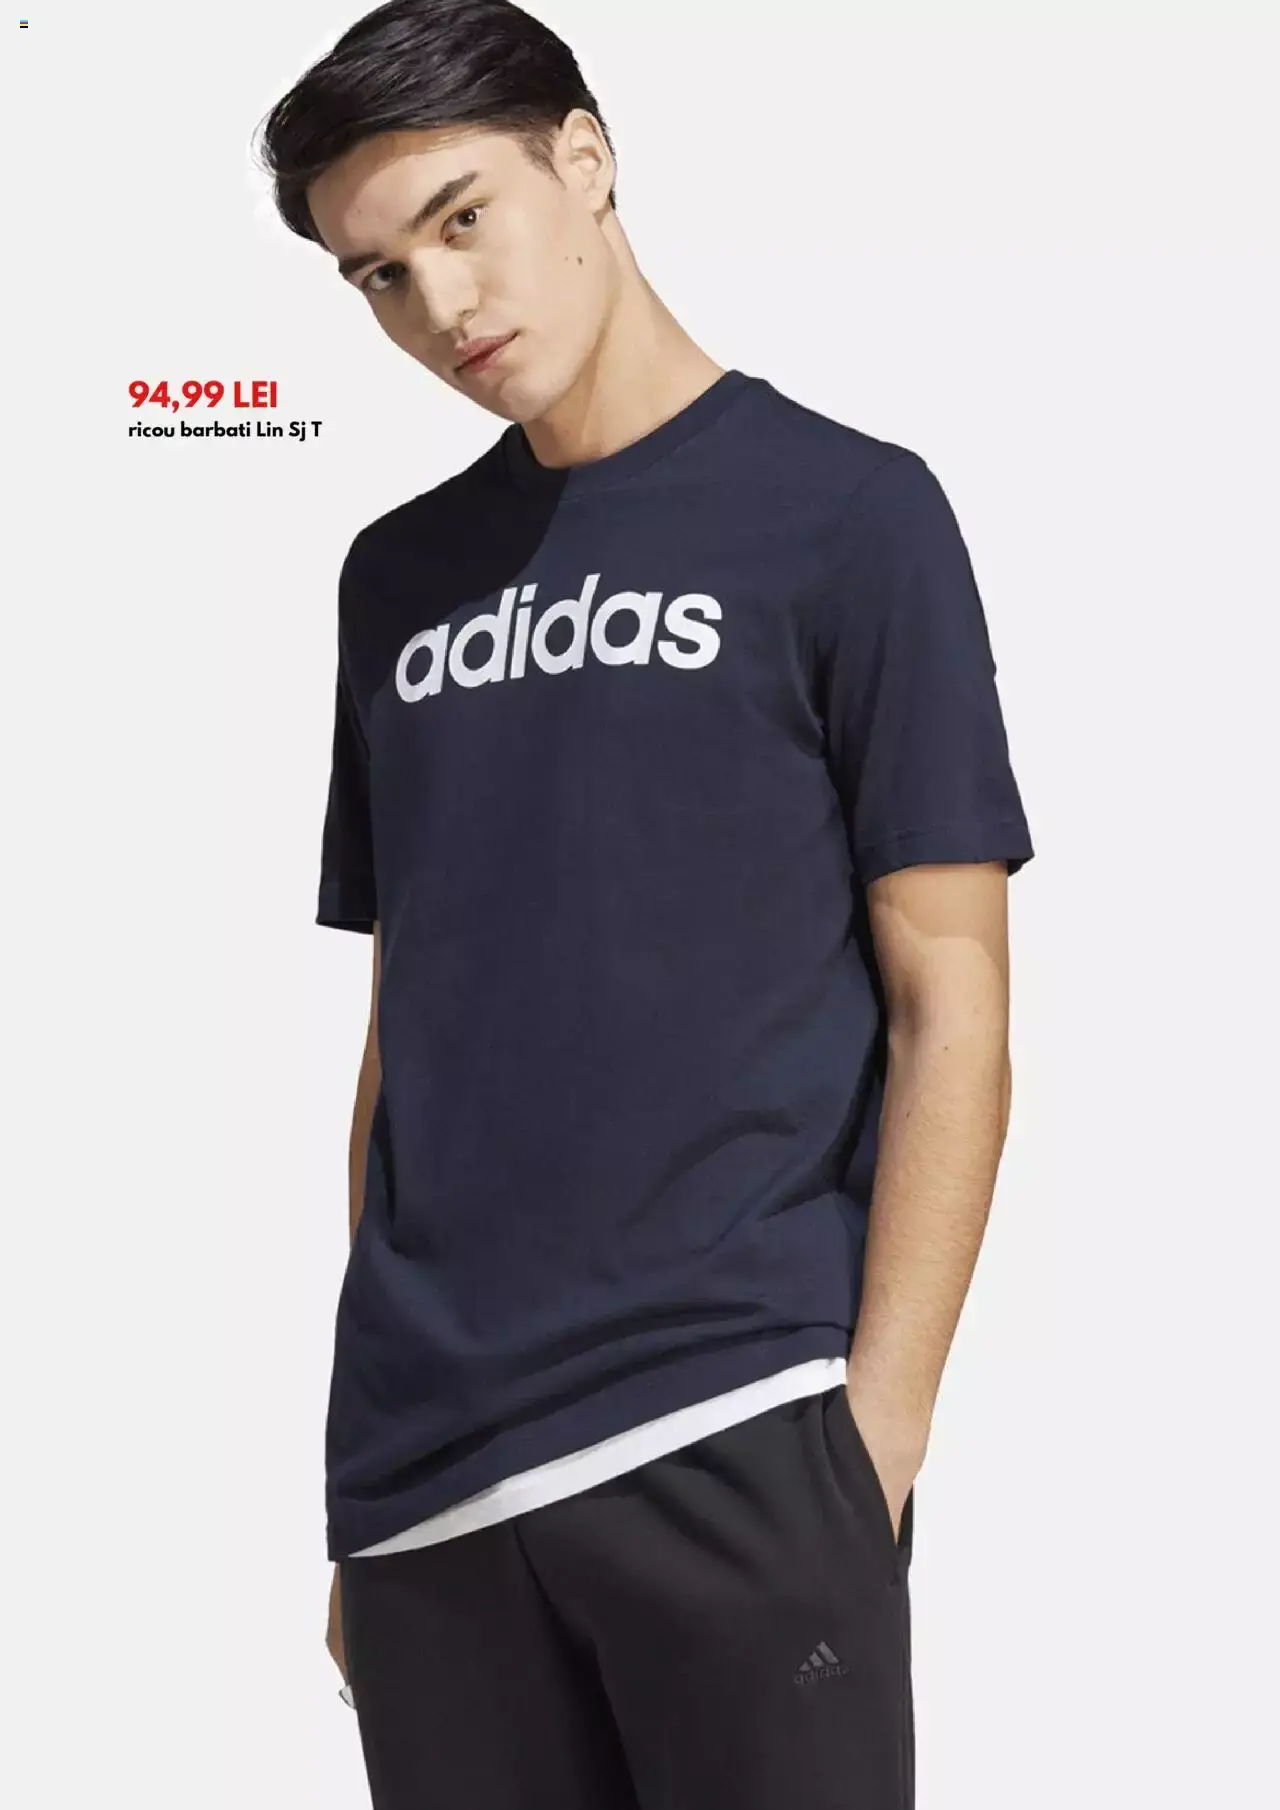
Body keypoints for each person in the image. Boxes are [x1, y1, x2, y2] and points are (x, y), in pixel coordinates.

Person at [255, 2, 1035, 1804]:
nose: (440, 307)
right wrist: (368, 1478)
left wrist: (870, 1448)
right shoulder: (397, 580)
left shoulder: (849, 516)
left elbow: (955, 1006)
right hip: (429, 1486)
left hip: (736, 1426)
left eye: (463, 218)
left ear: (586, 161)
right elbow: (407, 1036)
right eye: (380, 276)